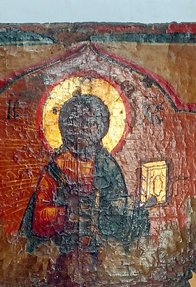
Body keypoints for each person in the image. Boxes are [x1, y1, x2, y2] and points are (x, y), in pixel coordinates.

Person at [21, 91, 150, 258]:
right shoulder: (56, 168)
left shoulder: (108, 166)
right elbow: (39, 219)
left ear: (102, 127)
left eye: (92, 122)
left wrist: (127, 210)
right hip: (61, 250)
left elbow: (118, 205)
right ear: (67, 126)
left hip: (102, 251)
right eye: (79, 122)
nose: (85, 128)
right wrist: (67, 211)